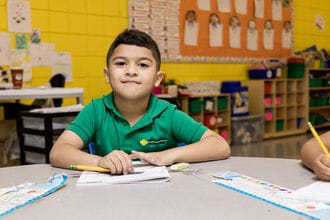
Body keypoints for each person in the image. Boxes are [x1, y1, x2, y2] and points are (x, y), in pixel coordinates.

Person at [49, 29, 230, 174]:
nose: (131, 71)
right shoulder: (96, 111)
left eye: (143, 65)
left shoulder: (167, 114)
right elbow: (58, 152)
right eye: (121, 63)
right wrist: (100, 161)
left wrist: (170, 155)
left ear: (158, 79)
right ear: (107, 75)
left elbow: (219, 145)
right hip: (109, 199)